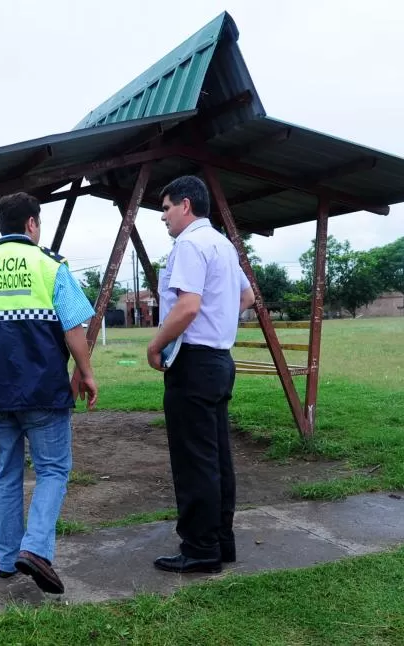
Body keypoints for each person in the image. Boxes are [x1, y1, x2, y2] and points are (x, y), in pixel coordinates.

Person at [0, 192, 98, 594]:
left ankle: (5, 558)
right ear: (32, 224)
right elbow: (73, 328)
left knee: (6, 473)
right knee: (52, 469)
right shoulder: (51, 266)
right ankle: (35, 550)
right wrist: (85, 372)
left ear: (1, 225)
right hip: (44, 388)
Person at [147, 175, 255, 574]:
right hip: (220, 360)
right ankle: (220, 541)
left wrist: (156, 344)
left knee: (195, 461)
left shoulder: (190, 244)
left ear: (186, 205)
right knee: (217, 457)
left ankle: (199, 548)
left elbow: (188, 306)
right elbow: (246, 296)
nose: (164, 218)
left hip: (193, 363)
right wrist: (222, 320)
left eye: (166, 208)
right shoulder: (223, 244)